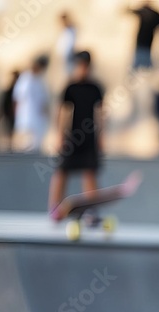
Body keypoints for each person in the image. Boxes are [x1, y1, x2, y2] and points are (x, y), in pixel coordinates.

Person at [49, 51, 104, 219]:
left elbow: (100, 113)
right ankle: (54, 208)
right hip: (72, 137)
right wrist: (59, 135)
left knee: (89, 172)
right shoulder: (70, 87)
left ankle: (91, 210)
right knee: (62, 172)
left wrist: (102, 136)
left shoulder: (95, 88)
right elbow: (62, 112)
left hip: (89, 138)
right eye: (80, 66)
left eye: (85, 66)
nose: (83, 69)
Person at [12, 55, 49, 152]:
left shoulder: (39, 80)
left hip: (37, 118)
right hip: (26, 116)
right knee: (25, 145)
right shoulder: (25, 78)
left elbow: (43, 99)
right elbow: (18, 97)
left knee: (36, 145)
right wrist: (16, 114)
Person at [128, 3, 159, 70]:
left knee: (141, 64)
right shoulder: (153, 13)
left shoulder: (146, 12)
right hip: (145, 44)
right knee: (143, 64)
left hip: (145, 44)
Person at [0, 70, 19, 151]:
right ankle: (9, 146)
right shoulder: (9, 90)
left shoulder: (17, 89)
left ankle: (11, 146)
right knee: (8, 130)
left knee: (11, 130)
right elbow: (3, 102)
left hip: (12, 113)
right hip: (8, 112)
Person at [55, 12, 77, 78]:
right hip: (61, 59)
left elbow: (70, 46)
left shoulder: (71, 31)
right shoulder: (62, 31)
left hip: (69, 57)